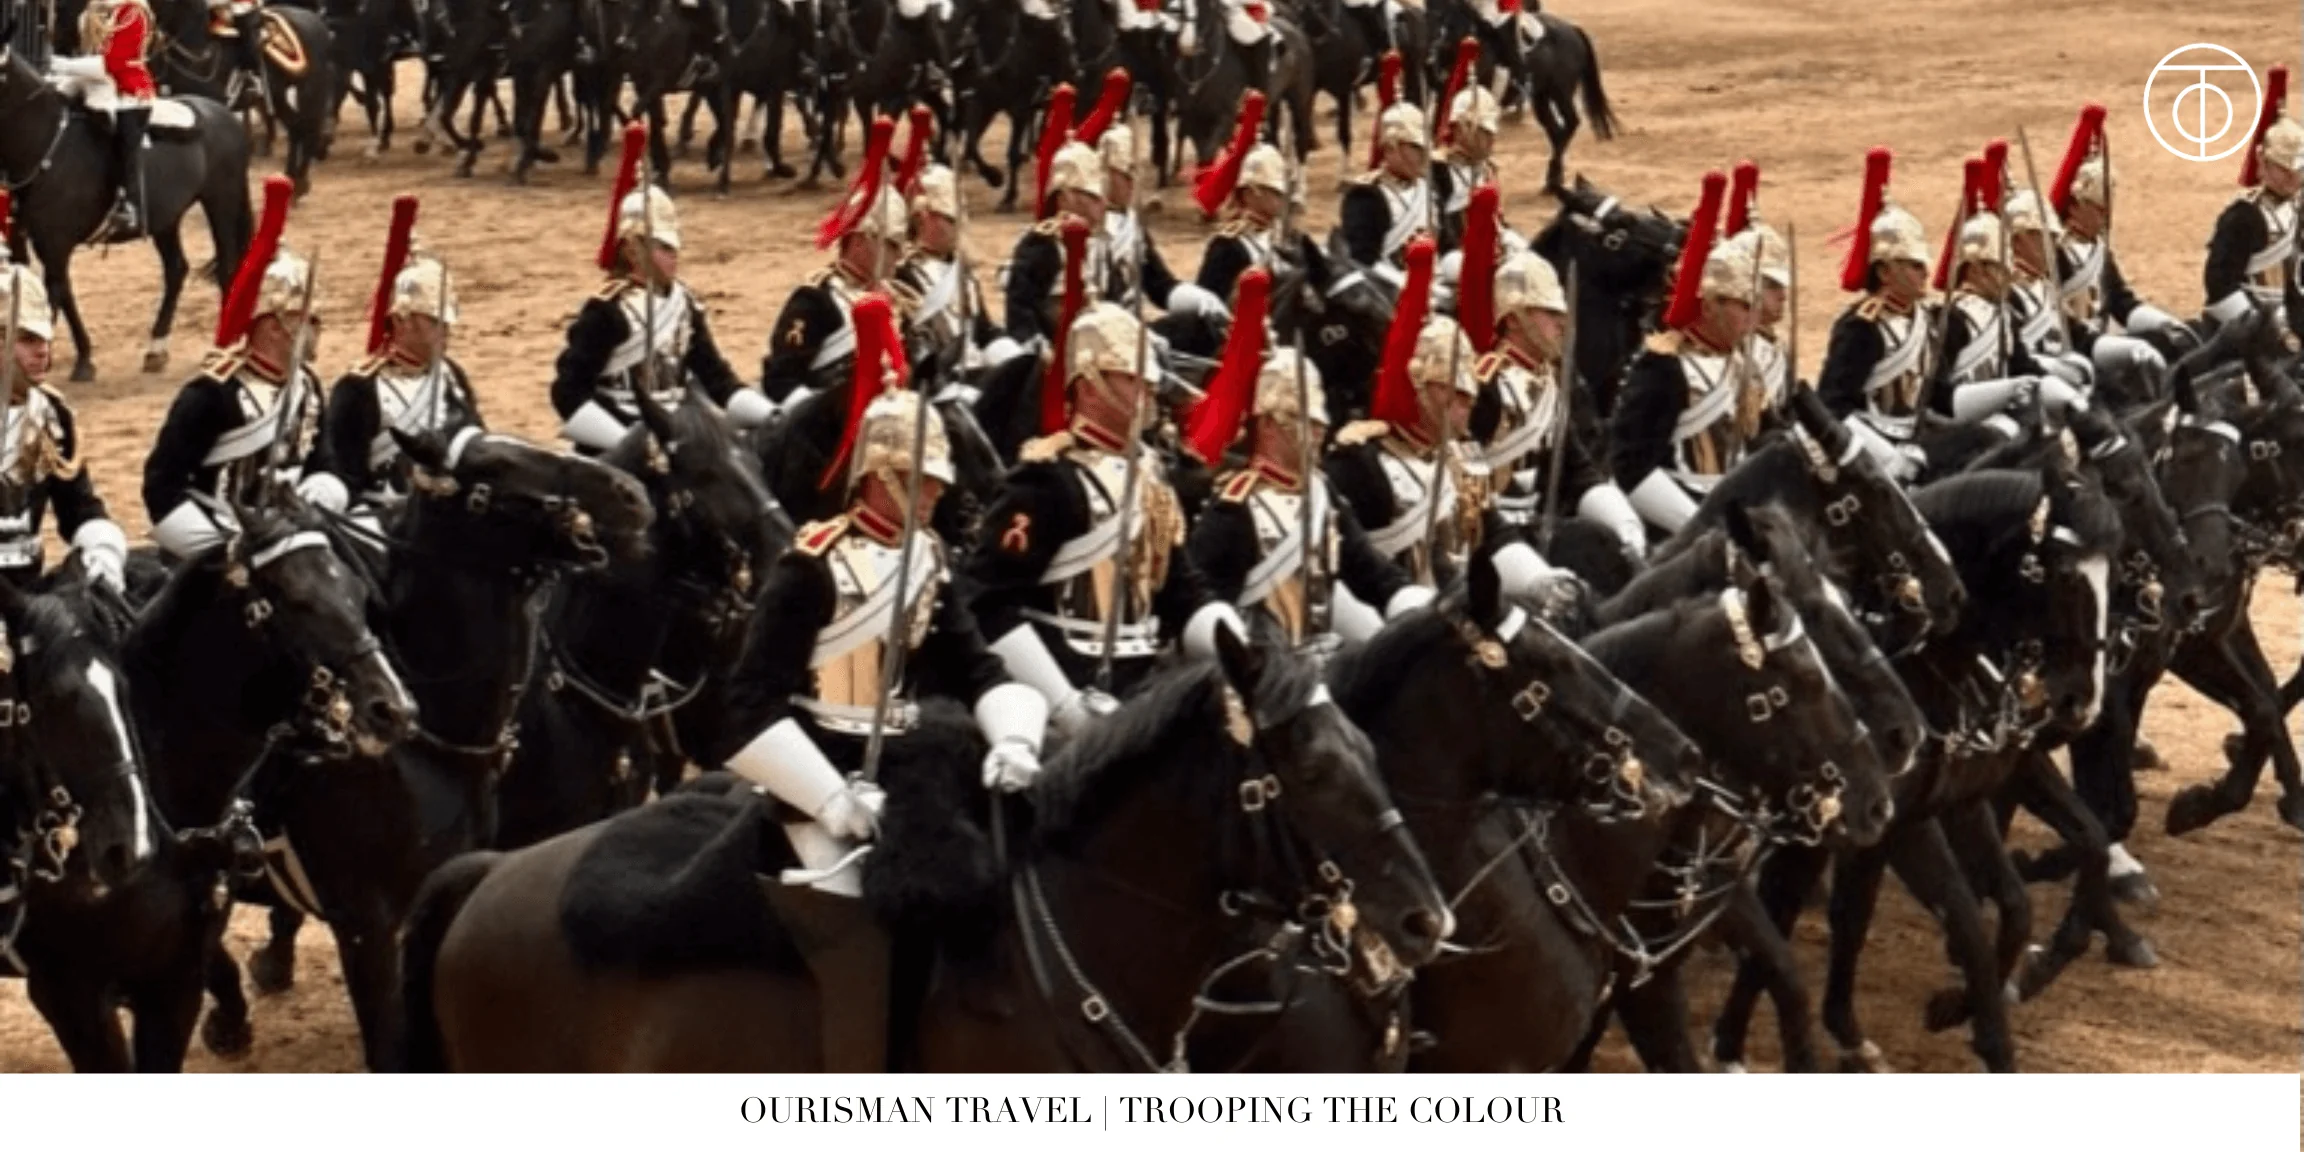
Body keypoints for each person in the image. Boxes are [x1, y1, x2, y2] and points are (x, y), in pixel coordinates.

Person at [725, 296, 1047, 1072]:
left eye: (935, 483)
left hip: (915, 764)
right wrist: (830, 797)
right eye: (918, 480)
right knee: (854, 937)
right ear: (877, 476)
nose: (935, 495)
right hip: (819, 768)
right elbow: (745, 708)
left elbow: (977, 667)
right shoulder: (812, 565)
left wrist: (1013, 737)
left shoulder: (929, 561)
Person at [966, 300, 1247, 728]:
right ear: (1092, 385)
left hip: (1147, 678)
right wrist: (1063, 703)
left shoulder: (1152, 475)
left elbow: (1181, 591)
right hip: (1070, 682)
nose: (1149, 391)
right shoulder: (1045, 481)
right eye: (1133, 379)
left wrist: (1242, 652)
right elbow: (988, 602)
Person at [1188, 315, 1431, 650]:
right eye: (1304, 422)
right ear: (1270, 426)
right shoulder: (1235, 508)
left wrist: (1415, 605)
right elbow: (1206, 599)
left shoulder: (1322, 492)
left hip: (1326, 656)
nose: (1318, 433)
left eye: (1319, 423)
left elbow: (1367, 569)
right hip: (1269, 673)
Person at [551, 126, 772, 454]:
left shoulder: (685, 303)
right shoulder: (606, 311)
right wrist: (626, 445)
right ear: (632, 250)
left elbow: (715, 377)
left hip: (680, 429)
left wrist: (771, 415)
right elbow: (568, 391)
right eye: (662, 248)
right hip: (620, 436)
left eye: (673, 248)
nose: (673, 257)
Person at [143, 176, 324, 558]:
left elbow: (326, 462)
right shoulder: (211, 395)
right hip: (225, 544)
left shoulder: (307, 387)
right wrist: (217, 552)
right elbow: (163, 485)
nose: (316, 329)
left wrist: (319, 498)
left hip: (294, 537)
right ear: (274, 328)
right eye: (306, 319)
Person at [1611, 171, 1766, 537]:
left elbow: (1762, 437)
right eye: (1743, 306)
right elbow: (1632, 465)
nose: (1753, 316)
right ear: (1710, 306)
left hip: (1739, 508)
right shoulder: (1663, 366)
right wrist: (1699, 527)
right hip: (1679, 521)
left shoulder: (1742, 362)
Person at [1324, 239, 1485, 589]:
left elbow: (1490, 534)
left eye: (1468, 391)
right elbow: (1347, 563)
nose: (1467, 402)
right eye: (1453, 391)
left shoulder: (1459, 453)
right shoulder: (1361, 463)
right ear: (1419, 389)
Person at [306, 201, 480, 516]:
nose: (446, 331)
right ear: (401, 322)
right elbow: (346, 474)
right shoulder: (359, 387)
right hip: (385, 514)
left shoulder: (452, 374)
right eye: (434, 322)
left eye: (447, 322)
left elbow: (475, 443)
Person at [1480, 249, 1644, 562]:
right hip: (1491, 539)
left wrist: (1624, 524)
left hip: (1538, 525)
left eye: (1562, 313)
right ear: (1514, 319)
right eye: (1550, 313)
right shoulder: (1486, 387)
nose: (1562, 322)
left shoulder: (1550, 381)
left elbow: (1577, 469)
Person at [0, 263, 129, 594]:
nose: (43, 351)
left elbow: (78, 506)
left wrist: (102, 549)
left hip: (26, 594)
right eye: (27, 339)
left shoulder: (52, 415)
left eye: (45, 338)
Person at [1816, 148, 1937, 481]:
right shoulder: (1862, 326)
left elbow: (1935, 394)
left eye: (1922, 264)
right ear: (1884, 272)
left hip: (1915, 442)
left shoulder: (1925, 319)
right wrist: (1886, 456)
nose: (1924, 272)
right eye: (1913, 265)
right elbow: (1833, 406)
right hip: (1870, 453)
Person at [2044, 105, 2186, 385]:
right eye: (2099, 209)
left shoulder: (2098, 248)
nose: (2106, 217)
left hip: (2100, 346)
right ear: (2076, 205)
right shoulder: (2055, 254)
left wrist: (2162, 323)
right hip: (2071, 355)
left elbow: (2121, 301)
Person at [762, 169, 909, 406]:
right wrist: (820, 416)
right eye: (891, 244)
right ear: (860, 242)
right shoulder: (816, 299)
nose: (899, 256)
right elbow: (781, 379)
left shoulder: (899, 299)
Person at [47, 0, 155, 237]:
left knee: (127, 145)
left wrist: (63, 65)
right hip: (94, 83)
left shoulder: (132, 12)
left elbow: (112, 62)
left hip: (127, 91)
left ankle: (132, 206)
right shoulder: (92, 12)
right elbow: (89, 55)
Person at [2204, 85, 2302, 342]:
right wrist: (2263, 332)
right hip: (2247, 333)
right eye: (2283, 168)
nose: (2293, 176)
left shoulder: (2298, 209)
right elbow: (2219, 285)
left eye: (2299, 167)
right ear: (2264, 164)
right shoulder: (2243, 216)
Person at [1339, 103, 1433, 291]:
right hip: (1387, 292)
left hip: (1434, 284)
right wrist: (1407, 284)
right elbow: (1362, 262)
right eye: (1415, 148)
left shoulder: (1430, 186)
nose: (1423, 156)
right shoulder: (1366, 197)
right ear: (1391, 148)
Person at [1192, 140, 1293, 306]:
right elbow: (1208, 303)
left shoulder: (1286, 237)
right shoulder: (1227, 245)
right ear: (1250, 193)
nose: (1280, 200)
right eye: (1274, 192)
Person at [1432, 85, 1501, 253]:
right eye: (1484, 133)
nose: (1492, 140)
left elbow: (1495, 220)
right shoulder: (1438, 170)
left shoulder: (1487, 168)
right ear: (1461, 129)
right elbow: (1440, 231)